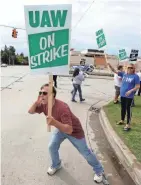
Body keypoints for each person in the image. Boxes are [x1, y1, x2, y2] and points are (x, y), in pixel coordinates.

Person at [28, 84, 104, 183]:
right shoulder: (43, 104)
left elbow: (69, 130)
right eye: (40, 93)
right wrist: (36, 102)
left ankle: (99, 170)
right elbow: (30, 111)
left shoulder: (62, 107)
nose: (41, 95)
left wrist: (54, 122)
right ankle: (56, 164)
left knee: (86, 153)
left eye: (45, 93)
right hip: (60, 129)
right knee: (52, 146)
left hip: (74, 131)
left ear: (53, 95)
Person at [107, 63, 140, 131]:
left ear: (134, 69)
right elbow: (115, 71)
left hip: (129, 96)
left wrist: (131, 91)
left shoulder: (135, 76)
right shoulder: (124, 74)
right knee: (123, 108)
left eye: (131, 68)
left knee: (128, 109)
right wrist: (110, 65)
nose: (130, 69)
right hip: (122, 95)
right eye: (128, 67)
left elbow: (137, 86)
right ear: (126, 68)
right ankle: (122, 120)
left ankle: (128, 124)